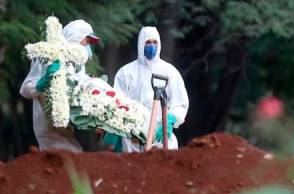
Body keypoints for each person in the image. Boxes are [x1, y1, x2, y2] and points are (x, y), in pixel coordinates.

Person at [20, 20, 100, 152]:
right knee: (64, 157)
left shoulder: (76, 62)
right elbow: (25, 90)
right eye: (87, 41)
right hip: (47, 122)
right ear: (75, 37)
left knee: (74, 154)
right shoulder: (48, 56)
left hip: (66, 124)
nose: (87, 46)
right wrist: (42, 83)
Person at [111, 26, 189, 152]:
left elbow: (180, 102)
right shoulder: (126, 72)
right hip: (133, 136)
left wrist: (169, 120)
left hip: (161, 133)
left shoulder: (169, 71)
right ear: (141, 43)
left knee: (163, 168)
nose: (151, 46)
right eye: (148, 42)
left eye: (154, 42)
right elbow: (118, 101)